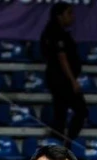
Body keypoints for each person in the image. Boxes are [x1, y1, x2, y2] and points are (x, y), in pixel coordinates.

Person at [39, 3, 86, 146]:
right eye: (69, 13)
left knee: (61, 112)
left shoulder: (53, 31)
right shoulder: (55, 32)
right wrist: (73, 80)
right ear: (59, 15)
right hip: (61, 79)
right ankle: (66, 142)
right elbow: (62, 57)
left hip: (58, 78)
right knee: (80, 110)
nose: (72, 17)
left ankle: (60, 141)